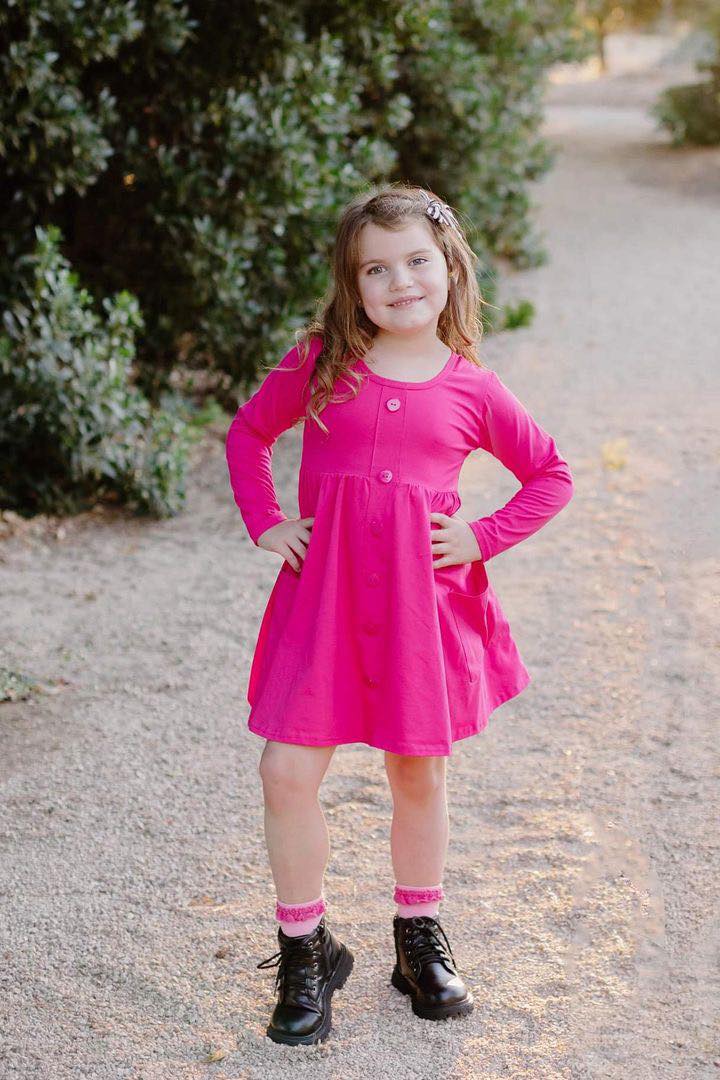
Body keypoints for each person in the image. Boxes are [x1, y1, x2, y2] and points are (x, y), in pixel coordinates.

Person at [225, 184, 574, 1046]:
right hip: (326, 607)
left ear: (451, 270)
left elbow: (552, 476)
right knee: (285, 772)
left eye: (418, 261)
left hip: (423, 615)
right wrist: (268, 523)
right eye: (375, 269)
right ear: (353, 285)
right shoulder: (319, 360)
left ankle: (418, 937)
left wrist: (483, 536)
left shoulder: (473, 388)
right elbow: (247, 436)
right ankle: (306, 948)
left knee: (418, 775)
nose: (400, 281)